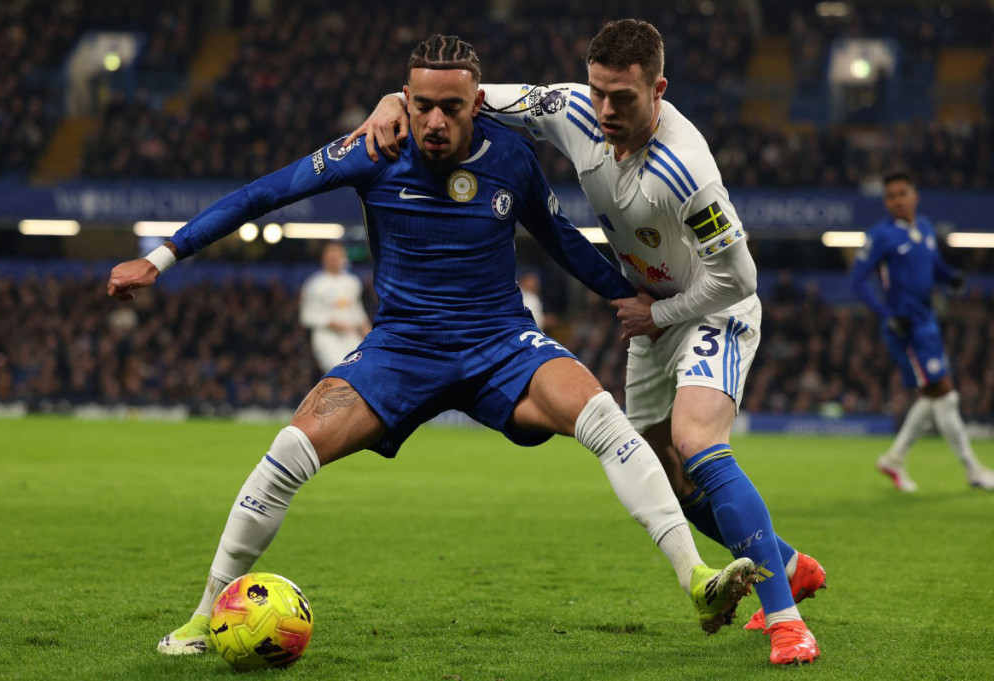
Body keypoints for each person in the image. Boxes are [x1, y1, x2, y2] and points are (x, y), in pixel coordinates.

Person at [107, 35, 758, 659]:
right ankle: (202, 614)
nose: (436, 120)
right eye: (422, 105)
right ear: (403, 100)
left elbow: (560, 241)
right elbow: (264, 194)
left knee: (606, 419)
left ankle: (697, 578)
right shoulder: (372, 149)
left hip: (502, 343)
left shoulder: (510, 157)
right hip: (400, 350)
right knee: (288, 451)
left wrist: (636, 300)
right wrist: (162, 257)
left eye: (453, 106)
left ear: (478, 103)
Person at [349, 20, 822, 665]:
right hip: (653, 315)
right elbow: (466, 95)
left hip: (711, 307)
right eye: (597, 91)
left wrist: (665, 314)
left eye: (622, 98)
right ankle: (786, 563)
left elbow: (740, 276)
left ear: (658, 90)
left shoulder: (688, 171)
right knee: (665, 472)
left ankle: (788, 623)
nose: (604, 110)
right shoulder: (567, 107)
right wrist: (391, 101)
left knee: (697, 442)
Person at [850, 170, 994, 493]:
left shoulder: (925, 228)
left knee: (933, 395)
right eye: (890, 196)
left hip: (927, 321)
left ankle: (894, 457)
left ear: (915, 195)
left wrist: (950, 278)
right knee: (945, 393)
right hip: (905, 329)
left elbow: (934, 266)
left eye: (902, 193)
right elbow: (857, 282)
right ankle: (973, 470)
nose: (897, 201)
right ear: (885, 202)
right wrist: (887, 315)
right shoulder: (881, 236)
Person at [299, 241, 371, 372]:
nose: (335, 260)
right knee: (338, 372)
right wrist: (329, 322)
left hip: (351, 335)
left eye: (338, 256)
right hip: (327, 337)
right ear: (324, 259)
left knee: (358, 371)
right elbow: (306, 316)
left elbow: (357, 311)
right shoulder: (315, 284)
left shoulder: (352, 282)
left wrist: (369, 336)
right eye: (331, 257)